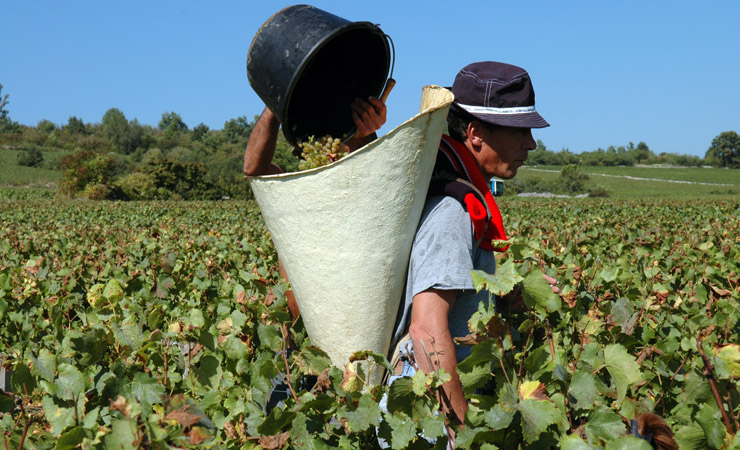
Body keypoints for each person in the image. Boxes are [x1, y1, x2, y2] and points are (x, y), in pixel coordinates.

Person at [387, 61, 560, 429]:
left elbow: (457, 307)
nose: (530, 143)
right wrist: (460, 432)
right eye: (520, 131)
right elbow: (427, 329)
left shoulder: (465, 198)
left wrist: (508, 299)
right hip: (426, 415)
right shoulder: (453, 212)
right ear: (475, 133)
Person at [243, 97, 388, 320]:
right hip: (301, 343)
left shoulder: (372, 197)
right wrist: (274, 104)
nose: (333, 157)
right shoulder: (293, 195)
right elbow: (254, 169)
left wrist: (366, 134)